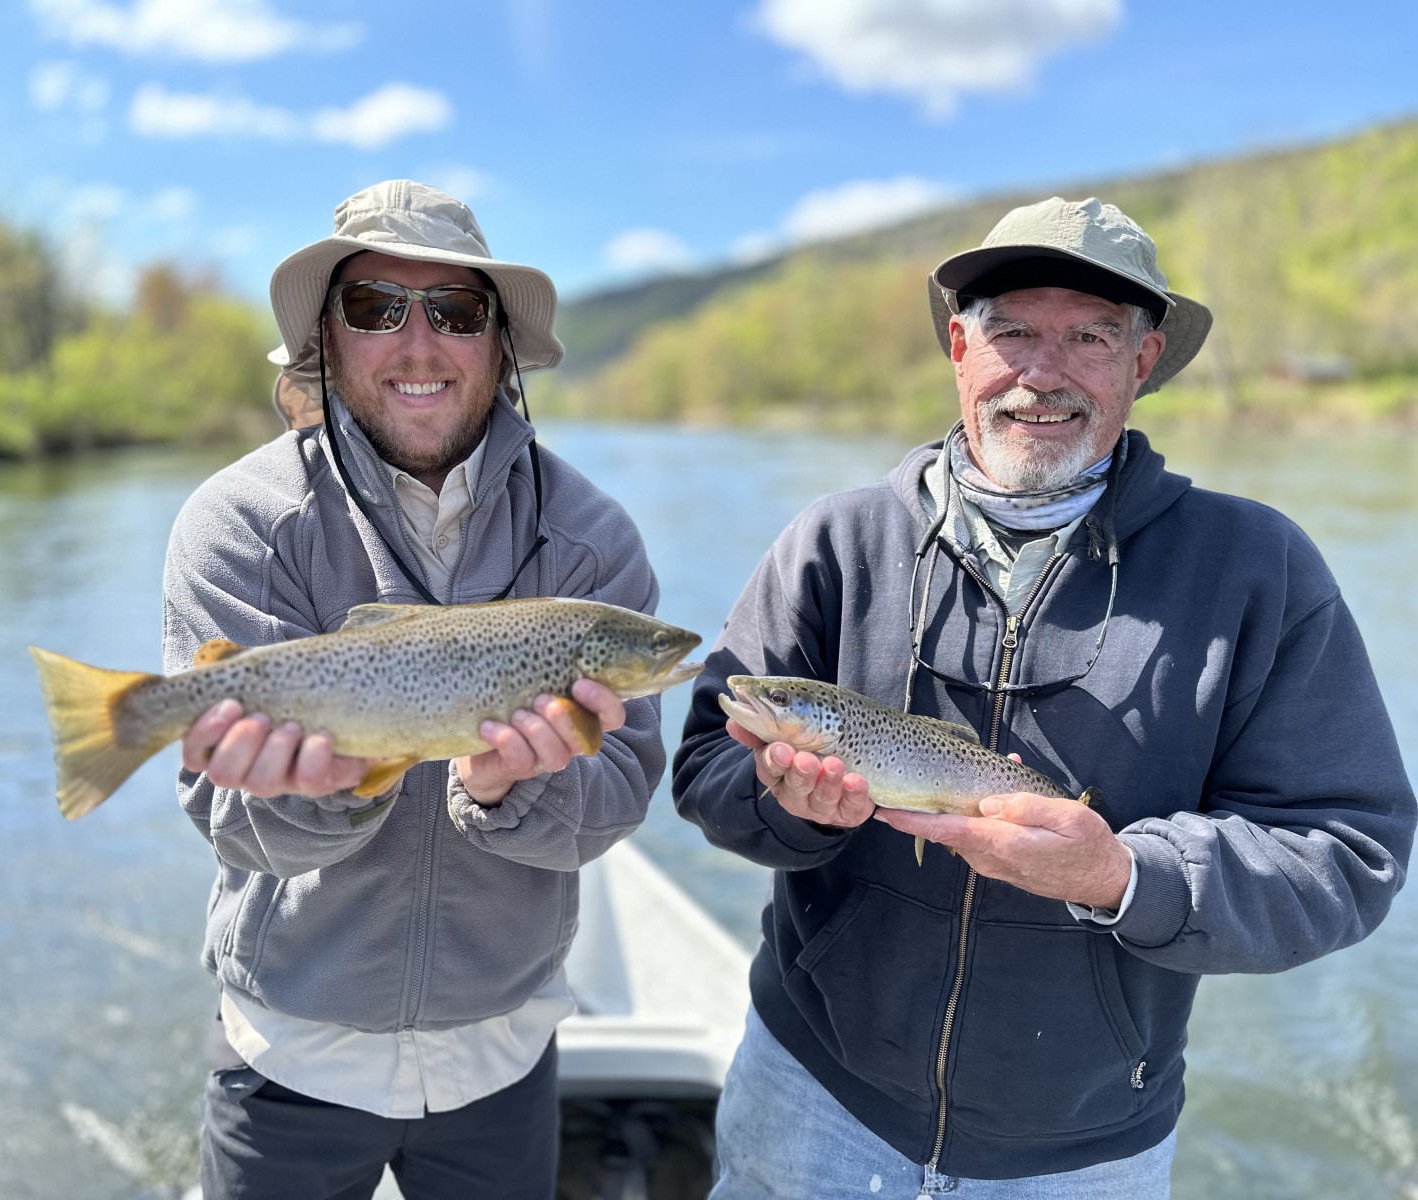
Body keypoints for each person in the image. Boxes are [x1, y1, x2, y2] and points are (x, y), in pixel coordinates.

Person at [673, 196, 1415, 1198]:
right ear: (957, 347)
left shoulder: (1257, 569)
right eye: (1011, 330)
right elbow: (708, 765)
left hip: (1085, 1158)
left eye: (1089, 337)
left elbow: (1346, 853)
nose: (1042, 371)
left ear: (1142, 362)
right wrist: (780, 803)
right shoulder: (833, 543)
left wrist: (1123, 875)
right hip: (811, 1099)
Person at [162, 180, 666, 1200]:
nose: (418, 343)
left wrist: (502, 789)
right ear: (327, 340)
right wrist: (335, 783)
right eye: (374, 307)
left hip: (506, 1052)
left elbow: (613, 801)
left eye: (456, 311)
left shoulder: (592, 540)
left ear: (499, 344)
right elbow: (230, 822)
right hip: (290, 1055)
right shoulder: (239, 525)